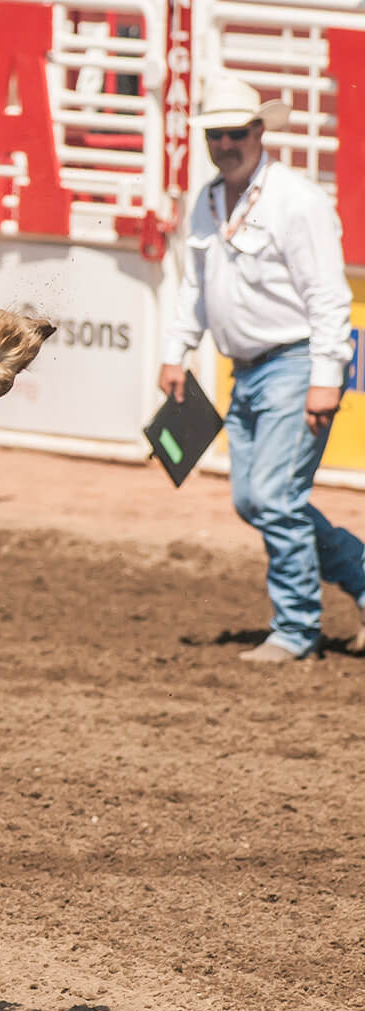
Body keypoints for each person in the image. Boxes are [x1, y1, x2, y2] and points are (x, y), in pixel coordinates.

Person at [159, 76, 365, 664]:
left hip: (294, 363)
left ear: (259, 132)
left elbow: (328, 296)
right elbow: (195, 287)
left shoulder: (297, 201)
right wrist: (177, 351)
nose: (226, 143)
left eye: (236, 132)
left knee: (272, 497)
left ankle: (296, 630)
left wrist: (328, 376)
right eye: (216, 133)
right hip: (246, 369)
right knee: (259, 501)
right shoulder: (207, 200)